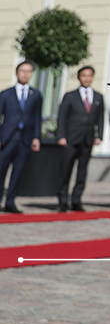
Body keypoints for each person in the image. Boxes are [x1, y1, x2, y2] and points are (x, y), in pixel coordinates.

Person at [56, 65, 104, 212]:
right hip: (71, 139)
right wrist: (61, 136)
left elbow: (100, 118)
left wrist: (99, 136)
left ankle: (76, 201)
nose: (87, 78)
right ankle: (63, 201)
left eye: (89, 76)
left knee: (82, 172)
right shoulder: (70, 96)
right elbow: (62, 117)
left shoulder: (98, 97)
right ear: (79, 77)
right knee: (66, 171)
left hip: (88, 140)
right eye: (84, 75)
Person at [0, 62, 42, 213]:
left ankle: (10, 202)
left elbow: (37, 117)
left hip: (25, 139)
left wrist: (36, 137)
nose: (25, 74)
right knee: (1, 170)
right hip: (7, 138)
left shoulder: (36, 94)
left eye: (29, 71)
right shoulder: (6, 94)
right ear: (17, 73)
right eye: (23, 71)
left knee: (17, 172)